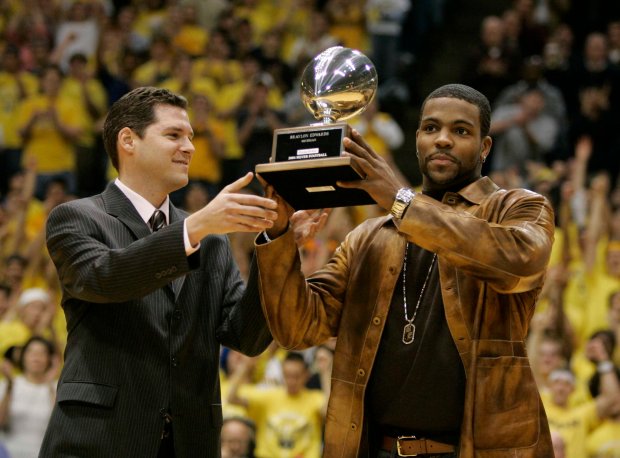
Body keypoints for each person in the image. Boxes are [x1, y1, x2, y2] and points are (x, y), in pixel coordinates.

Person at [256, 84, 555, 457]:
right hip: (377, 448)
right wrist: (279, 235)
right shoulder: (368, 236)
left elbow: (517, 263)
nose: (442, 140)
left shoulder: (518, 208)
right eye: (431, 128)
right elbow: (297, 329)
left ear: (484, 147)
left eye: (460, 131)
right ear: (417, 140)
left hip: (477, 449)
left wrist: (401, 201)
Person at [39, 86, 280, 457]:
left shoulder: (211, 239)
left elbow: (246, 337)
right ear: (128, 141)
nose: (190, 147)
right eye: (173, 135)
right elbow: (104, 277)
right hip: (99, 439)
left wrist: (276, 241)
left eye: (191, 137)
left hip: (190, 442)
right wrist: (193, 229)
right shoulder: (76, 217)